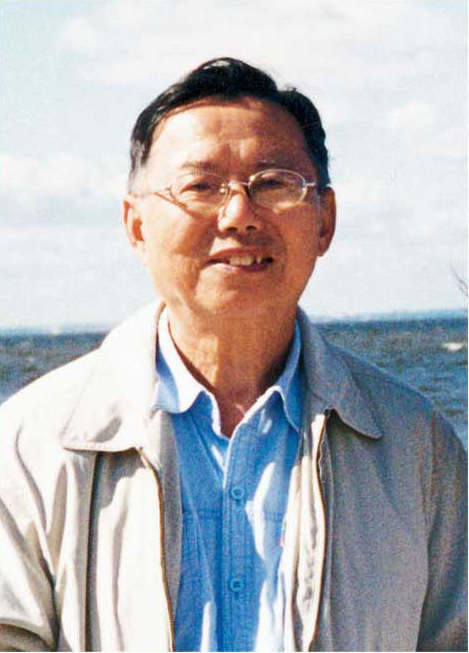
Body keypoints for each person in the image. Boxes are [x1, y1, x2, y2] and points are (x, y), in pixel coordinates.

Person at [0, 57, 466, 653]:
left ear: (324, 221)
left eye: (274, 184)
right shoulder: (31, 445)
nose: (240, 214)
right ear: (137, 226)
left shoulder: (415, 445)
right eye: (200, 186)